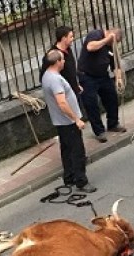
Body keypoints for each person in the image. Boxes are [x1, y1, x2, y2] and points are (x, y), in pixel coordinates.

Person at [41, 50, 96, 193]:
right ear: (57, 62)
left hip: (60, 122)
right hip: (68, 122)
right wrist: (76, 119)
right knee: (77, 151)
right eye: (63, 59)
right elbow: (62, 102)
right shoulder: (54, 79)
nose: (65, 61)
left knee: (66, 150)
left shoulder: (47, 75)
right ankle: (81, 181)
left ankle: (69, 176)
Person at [77, 27, 127, 143]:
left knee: (111, 97)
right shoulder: (95, 34)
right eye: (111, 41)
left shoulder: (111, 46)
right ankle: (99, 131)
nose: (111, 44)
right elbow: (90, 47)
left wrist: (118, 78)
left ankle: (113, 123)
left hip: (102, 75)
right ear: (109, 34)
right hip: (87, 76)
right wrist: (106, 40)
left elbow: (115, 64)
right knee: (91, 103)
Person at [40, 26, 81, 96]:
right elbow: (44, 77)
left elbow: (71, 71)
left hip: (74, 90)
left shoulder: (68, 49)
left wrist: (76, 85)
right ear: (64, 38)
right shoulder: (52, 55)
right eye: (71, 37)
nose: (73, 39)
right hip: (63, 94)